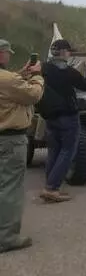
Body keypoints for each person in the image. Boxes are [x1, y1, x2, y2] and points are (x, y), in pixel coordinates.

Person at [37, 39, 86, 202]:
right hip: (68, 116)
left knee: (54, 151)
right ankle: (51, 188)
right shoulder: (69, 72)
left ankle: (50, 185)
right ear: (63, 53)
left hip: (49, 116)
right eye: (69, 51)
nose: (70, 54)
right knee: (67, 151)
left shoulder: (43, 68)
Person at [0, 39, 43, 253]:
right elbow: (33, 95)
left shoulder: (8, 78)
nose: (9, 56)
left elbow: (10, 85)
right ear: (1, 54)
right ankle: (7, 237)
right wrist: (37, 76)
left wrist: (22, 73)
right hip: (10, 138)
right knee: (10, 189)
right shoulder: (7, 79)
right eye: (7, 53)